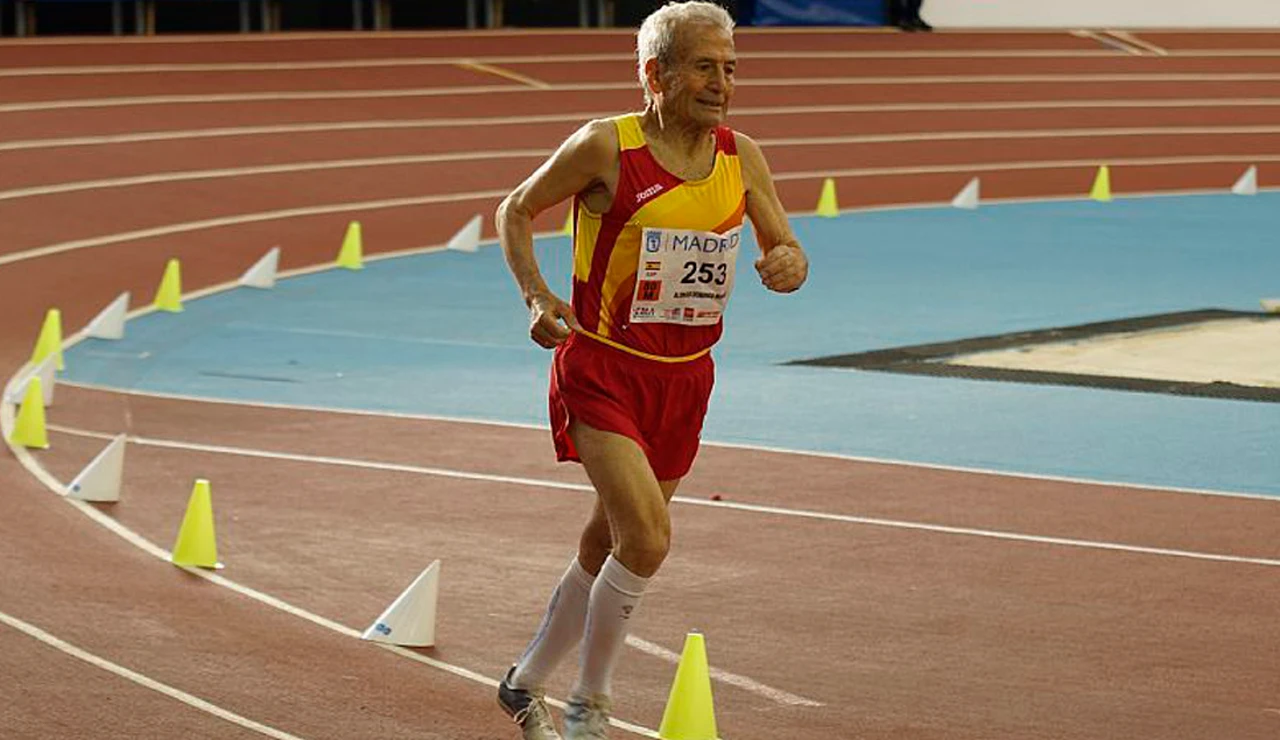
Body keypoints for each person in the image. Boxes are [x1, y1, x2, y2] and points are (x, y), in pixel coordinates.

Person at [493, 2, 808, 738]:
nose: (721, 83)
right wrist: (536, 298)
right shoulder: (606, 147)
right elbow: (516, 209)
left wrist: (788, 262)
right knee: (648, 540)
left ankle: (523, 682)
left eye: (730, 68)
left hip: (686, 378)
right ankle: (589, 706)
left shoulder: (741, 155)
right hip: (603, 370)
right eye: (704, 67)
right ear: (654, 74)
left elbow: (783, 245)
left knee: (608, 542)